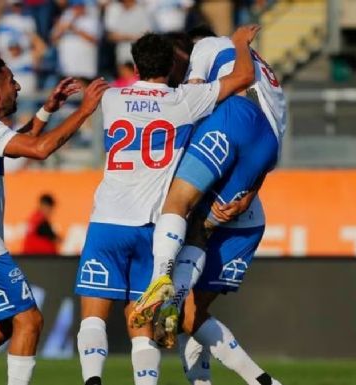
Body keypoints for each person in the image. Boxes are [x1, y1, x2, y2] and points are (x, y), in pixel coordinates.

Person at [73, 29, 256, 385]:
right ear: (173, 64)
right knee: (142, 323)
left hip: (107, 221)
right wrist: (240, 43)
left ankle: (92, 380)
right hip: (156, 229)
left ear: (135, 65)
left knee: (93, 318)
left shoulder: (111, 98)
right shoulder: (184, 100)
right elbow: (244, 77)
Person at [130, 28, 287, 385]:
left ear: (183, 52)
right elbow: (272, 144)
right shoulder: (269, 76)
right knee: (199, 235)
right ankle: (262, 383)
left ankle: (160, 284)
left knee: (178, 201)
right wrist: (250, 188)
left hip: (234, 117)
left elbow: (193, 104)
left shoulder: (206, 48)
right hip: (263, 150)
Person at [0, 57, 107, 385]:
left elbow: (17, 146)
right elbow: (40, 149)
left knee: (6, 323)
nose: (17, 87)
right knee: (29, 321)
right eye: (12, 81)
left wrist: (47, 110)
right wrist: (85, 111)